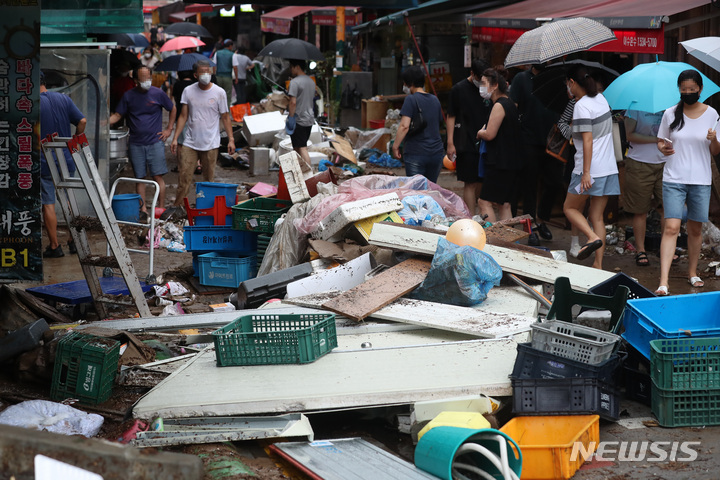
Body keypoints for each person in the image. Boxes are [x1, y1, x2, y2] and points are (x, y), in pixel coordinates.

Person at [655, 70, 720, 296]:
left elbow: (716, 150)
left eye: (692, 90)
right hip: (674, 177)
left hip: (700, 180)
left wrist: (714, 140)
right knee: (671, 227)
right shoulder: (670, 113)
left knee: (694, 229)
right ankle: (663, 281)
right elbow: (661, 142)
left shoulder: (712, 114)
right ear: (679, 89)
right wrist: (663, 148)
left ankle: (693, 272)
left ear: (700, 89)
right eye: (684, 89)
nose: (688, 93)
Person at [563, 64, 619, 269]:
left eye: (567, 84)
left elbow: (588, 141)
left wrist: (586, 173)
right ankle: (598, 265)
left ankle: (591, 236)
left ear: (572, 82)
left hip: (588, 170)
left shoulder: (581, 106)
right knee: (597, 216)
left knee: (569, 208)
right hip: (608, 168)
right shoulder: (601, 99)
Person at [109, 66, 177, 213]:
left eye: (148, 77)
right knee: (139, 177)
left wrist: (169, 129)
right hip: (135, 143)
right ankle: (144, 210)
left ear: (151, 77)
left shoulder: (158, 93)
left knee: (157, 176)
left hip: (155, 141)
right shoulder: (128, 96)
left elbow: (173, 109)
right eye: (142, 78)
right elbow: (118, 115)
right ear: (135, 80)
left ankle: (160, 208)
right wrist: (103, 122)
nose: (146, 81)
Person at [170, 60, 235, 206]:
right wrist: (175, 138)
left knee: (208, 181)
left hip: (211, 143)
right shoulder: (188, 91)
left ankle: (206, 210)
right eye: (202, 72)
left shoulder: (219, 93)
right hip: (190, 142)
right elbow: (183, 116)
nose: (206, 74)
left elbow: (225, 116)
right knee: (184, 179)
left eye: (208, 71)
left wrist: (231, 139)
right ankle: (179, 209)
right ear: (195, 75)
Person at [510, 64, 562, 244]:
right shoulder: (521, 79)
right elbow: (513, 107)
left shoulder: (556, 78)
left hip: (553, 141)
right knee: (529, 187)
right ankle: (530, 228)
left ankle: (542, 219)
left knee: (555, 182)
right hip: (528, 140)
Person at [39, 71, 87, 258]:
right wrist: (74, 139)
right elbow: (81, 120)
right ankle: (73, 241)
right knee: (69, 199)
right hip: (67, 157)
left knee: (48, 203)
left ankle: (54, 246)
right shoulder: (63, 99)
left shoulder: (30, 105)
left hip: (45, 161)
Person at [476, 68, 522, 222]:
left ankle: (494, 240)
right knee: (505, 204)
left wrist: (480, 132)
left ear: (494, 85)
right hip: (511, 161)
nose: (481, 87)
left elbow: (489, 134)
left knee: (484, 202)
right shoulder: (509, 103)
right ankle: (508, 243)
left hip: (498, 162)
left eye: (484, 83)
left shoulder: (499, 105)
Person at [446, 58, 491, 215]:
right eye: (480, 78)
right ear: (472, 74)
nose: (482, 82)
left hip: (485, 142)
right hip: (465, 141)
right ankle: (470, 216)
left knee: (481, 182)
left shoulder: (488, 88)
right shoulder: (458, 90)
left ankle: (479, 214)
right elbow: (450, 116)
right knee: (470, 182)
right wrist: (450, 143)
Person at [623, 109, 664, 267]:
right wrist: (656, 139)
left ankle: (666, 247)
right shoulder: (634, 107)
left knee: (667, 209)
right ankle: (640, 250)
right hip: (639, 163)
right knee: (640, 210)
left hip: (666, 162)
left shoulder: (670, 106)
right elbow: (629, 134)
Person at [392, 66, 445, 183]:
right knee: (429, 189)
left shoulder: (410, 99)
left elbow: (404, 126)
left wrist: (395, 146)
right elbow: (438, 123)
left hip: (416, 153)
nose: (404, 86)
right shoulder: (435, 100)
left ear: (410, 83)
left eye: (405, 83)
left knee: (416, 191)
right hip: (436, 153)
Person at [287, 59, 316, 169]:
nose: (291, 70)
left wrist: (291, 118)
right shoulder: (311, 81)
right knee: (297, 147)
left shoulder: (294, 82)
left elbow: (293, 102)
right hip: (309, 118)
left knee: (302, 147)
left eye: (291, 67)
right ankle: (300, 173)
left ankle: (309, 173)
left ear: (297, 67)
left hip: (298, 119)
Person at [213, 39, 235, 108]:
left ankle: (218, 110)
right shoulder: (232, 54)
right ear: (230, 46)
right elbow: (235, 67)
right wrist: (236, 78)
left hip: (218, 76)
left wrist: (214, 75)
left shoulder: (217, 53)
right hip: (228, 77)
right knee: (227, 95)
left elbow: (214, 65)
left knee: (217, 94)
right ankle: (226, 112)